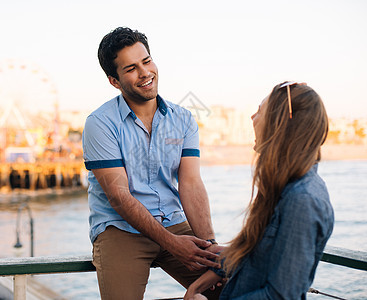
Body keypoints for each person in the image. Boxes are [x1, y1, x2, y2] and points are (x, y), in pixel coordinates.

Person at [82, 27, 223, 299]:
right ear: (114, 80)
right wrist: (172, 245)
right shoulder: (99, 123)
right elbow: (119, 196)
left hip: (173, 221)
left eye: (147, 61)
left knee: (229, 288)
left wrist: (209, 245)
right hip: (120, 228)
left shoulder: (183, 118)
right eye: (132, 68)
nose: (145, 72)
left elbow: (191, 183)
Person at [184, 82, 334, 299]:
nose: (252, 118)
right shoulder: (282, 188)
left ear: (279, 124)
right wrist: (204, 279)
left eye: (260, 111)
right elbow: (262, 257)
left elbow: (282, 295)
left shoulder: (303, 200)